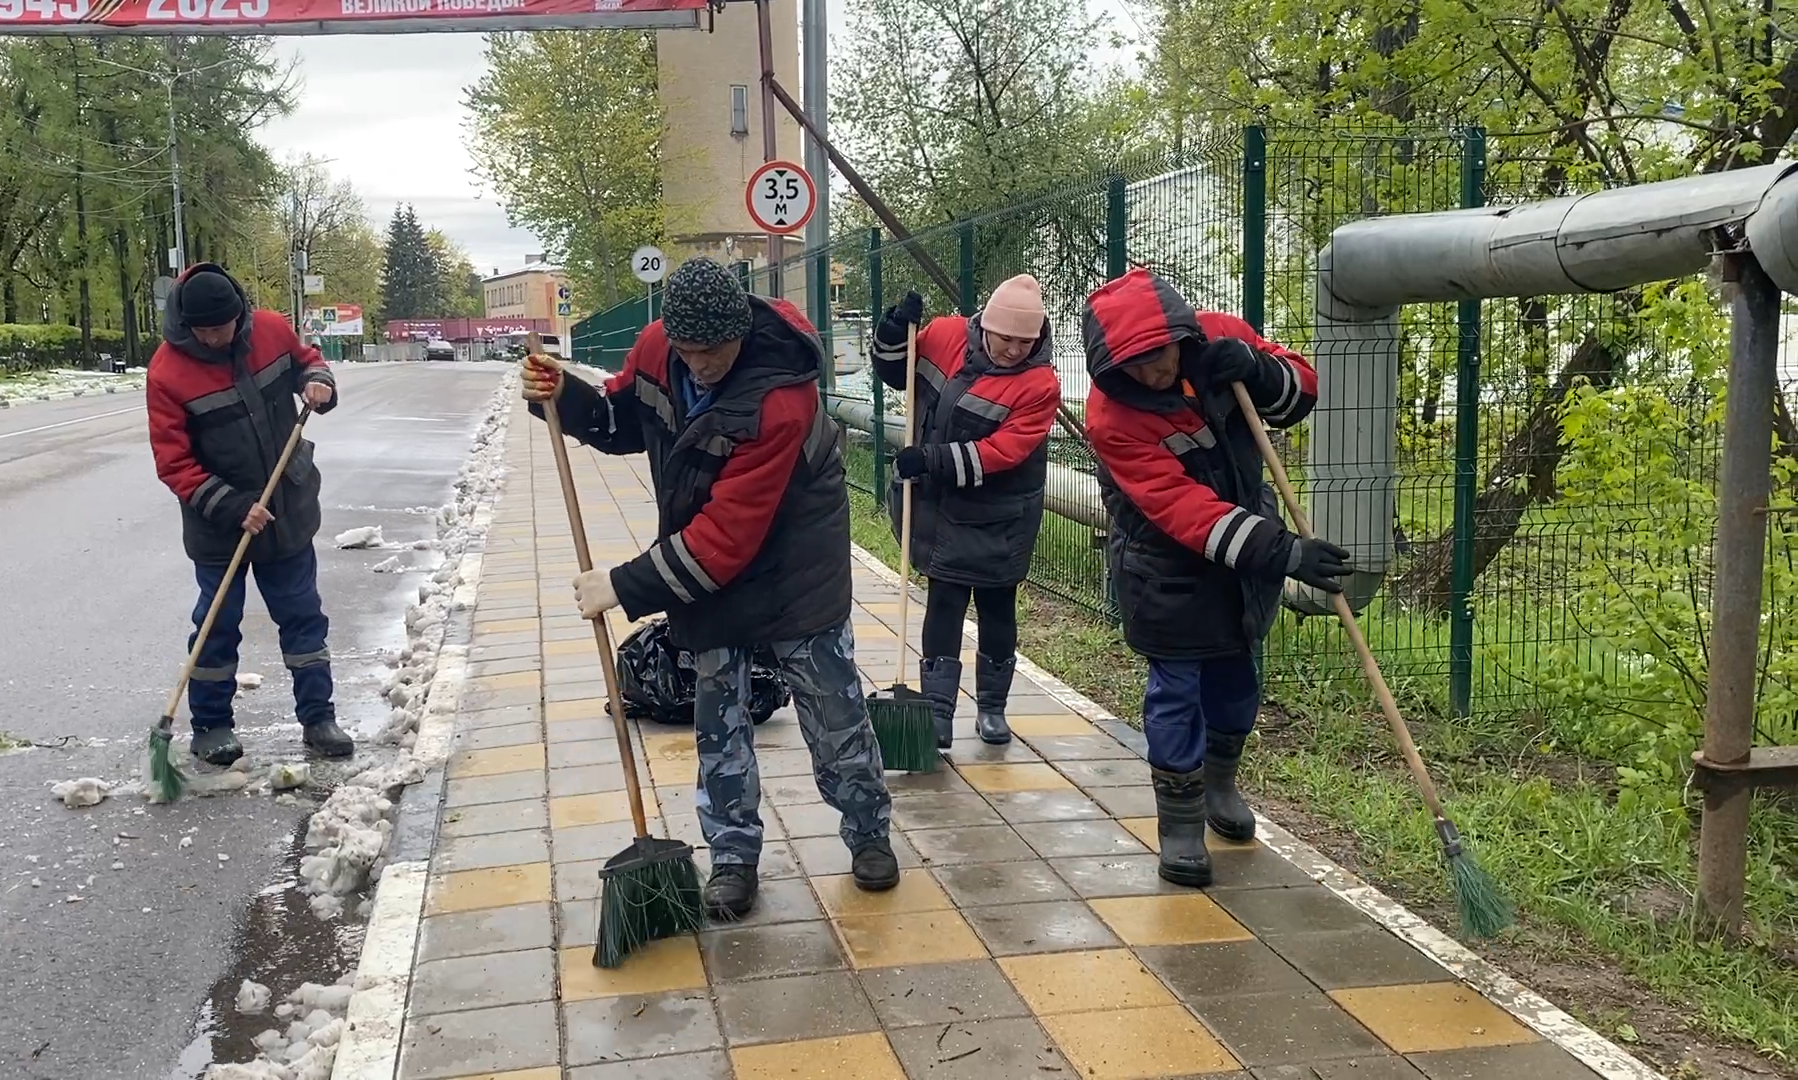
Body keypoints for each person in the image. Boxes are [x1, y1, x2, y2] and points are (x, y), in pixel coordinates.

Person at [520, 256, 898, 919]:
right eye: (688, 350)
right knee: (718, 718)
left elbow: (727, 541)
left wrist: (624, 584)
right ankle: (731, 857)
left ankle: (867, 832)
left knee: (833, 716)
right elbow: (621, 422)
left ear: (741, 332)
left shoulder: (780, 397)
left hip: (793, 570)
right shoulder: (660, 349)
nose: (698, 364)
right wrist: (562, 394)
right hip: (708, 564)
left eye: (713, 351)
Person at [1081, 268, 1349, 887]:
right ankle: (1178, 821)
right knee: (1177, 691)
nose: (1153, 372)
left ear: (1180, 333)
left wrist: (1256, 368)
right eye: (1138, 365)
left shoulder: (1220, 335)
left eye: (1162, 355)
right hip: (1165, 568)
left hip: (1243, 564)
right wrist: (1282, 552)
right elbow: (1182, 510)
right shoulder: (1113, 417)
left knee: (1237, 680)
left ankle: (1221, 783)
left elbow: (1304, 390)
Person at [146, 263, 353, 767]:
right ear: (186, 324)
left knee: (303, 616)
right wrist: (235, 507)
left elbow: (310, 361)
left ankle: (319, 718)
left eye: (226, 326)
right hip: (220, 524)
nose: (218, 337)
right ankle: (211, 726)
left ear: (240, 314)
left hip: (288, 506)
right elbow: (173, 464)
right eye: (207, 330)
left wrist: (318, 382)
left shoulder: (269, 330)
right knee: (217, 624)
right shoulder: (167, 372)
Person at [870, 277, 1061, 749]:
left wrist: (931, 460)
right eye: (1006, 338)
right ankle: (937, 714)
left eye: (1026, 341)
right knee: (945, 599)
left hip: (1002, 512)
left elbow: (1003, 452)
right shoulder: (945, 336)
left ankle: (992, 708)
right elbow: (897, 372)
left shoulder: (1040, 385)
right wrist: (895, 329)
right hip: (943, 507)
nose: (1015, 349)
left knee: (997, 604)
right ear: (986, 326)